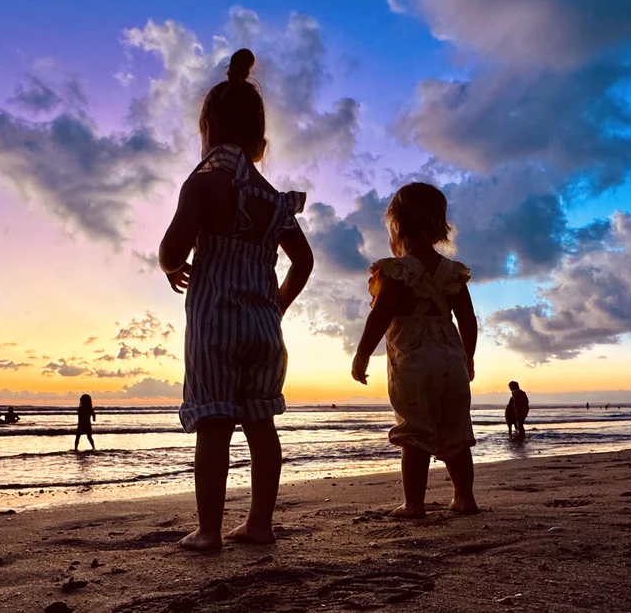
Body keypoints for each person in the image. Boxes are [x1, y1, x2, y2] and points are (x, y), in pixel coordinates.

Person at [159, 48, 314, 552]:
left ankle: (208, 530)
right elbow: (304, 261)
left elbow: (173, 247)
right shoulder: (275, 201)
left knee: (215, 424)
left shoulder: (204, 183)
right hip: (263, 326)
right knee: (261, 423)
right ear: (260, 142)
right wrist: (278, 304)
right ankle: (259, 524)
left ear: (207, 131)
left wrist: (169, 266)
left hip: (214, 322)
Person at [351, 182, 478, 519]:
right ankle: (464, 498)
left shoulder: (396, 271)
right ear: (441, 226)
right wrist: (468, 356)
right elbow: (468, 319)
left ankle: (414, 504)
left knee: (414, 432)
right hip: (451, 357)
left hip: (413, 359)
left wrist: (363, 353)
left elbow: (380, 315)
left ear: (398, 225)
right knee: (455, 430)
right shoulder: (453, 273)